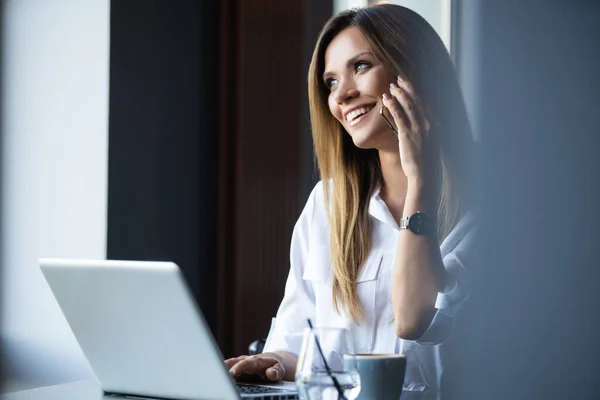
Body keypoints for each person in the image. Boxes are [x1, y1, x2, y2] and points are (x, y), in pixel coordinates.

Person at [225, 4, 479, 399]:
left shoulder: (493, 203)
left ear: (416, 71)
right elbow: (297, 345)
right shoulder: (328, 203)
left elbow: (414, 321)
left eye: (360, 66)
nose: (341, 94)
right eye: (330, 82)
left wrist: (421, 181)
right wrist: (273, 362)